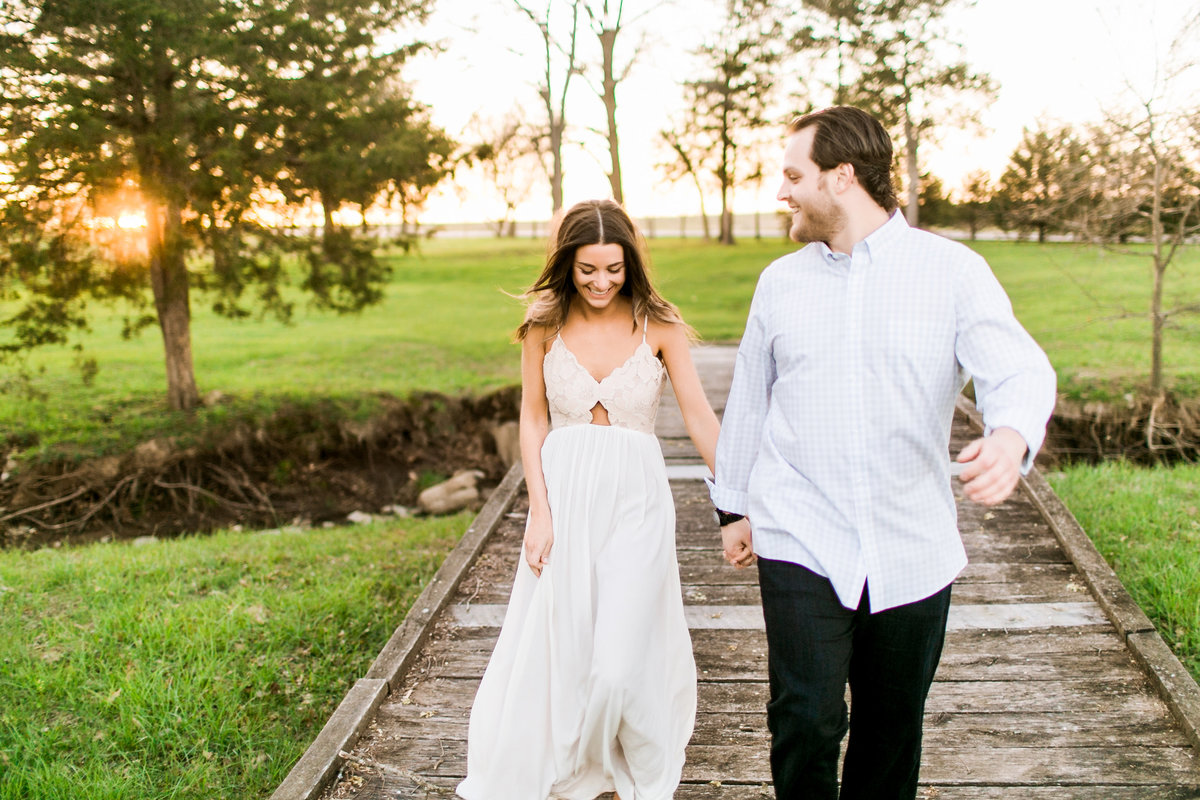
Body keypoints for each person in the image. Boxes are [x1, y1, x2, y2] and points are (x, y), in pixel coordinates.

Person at [708, 106, 1057, 799]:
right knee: (805, 719)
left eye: (792, 175)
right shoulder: (780, 283)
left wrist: (1011, 435)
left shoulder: (952, 271)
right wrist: (732, 509)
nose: (781, 192)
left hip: (911, 542)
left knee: (890, 728)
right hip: (799, 529)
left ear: (842, 177)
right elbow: (750, 399)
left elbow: (1019, 369)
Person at [457, 199, 721, 800]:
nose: (601, 283)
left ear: (631, 263)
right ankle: (578, 762)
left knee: (617, 659)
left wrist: (739, 502)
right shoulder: (543, 324)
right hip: (566, 494)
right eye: (586, 271)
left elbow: (701, 417)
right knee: (567, 634)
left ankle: (616, 758)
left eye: (614, 269)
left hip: (637, 497)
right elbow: (532, 418)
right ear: (565, 266)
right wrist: (539, 511)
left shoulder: (661, 326)